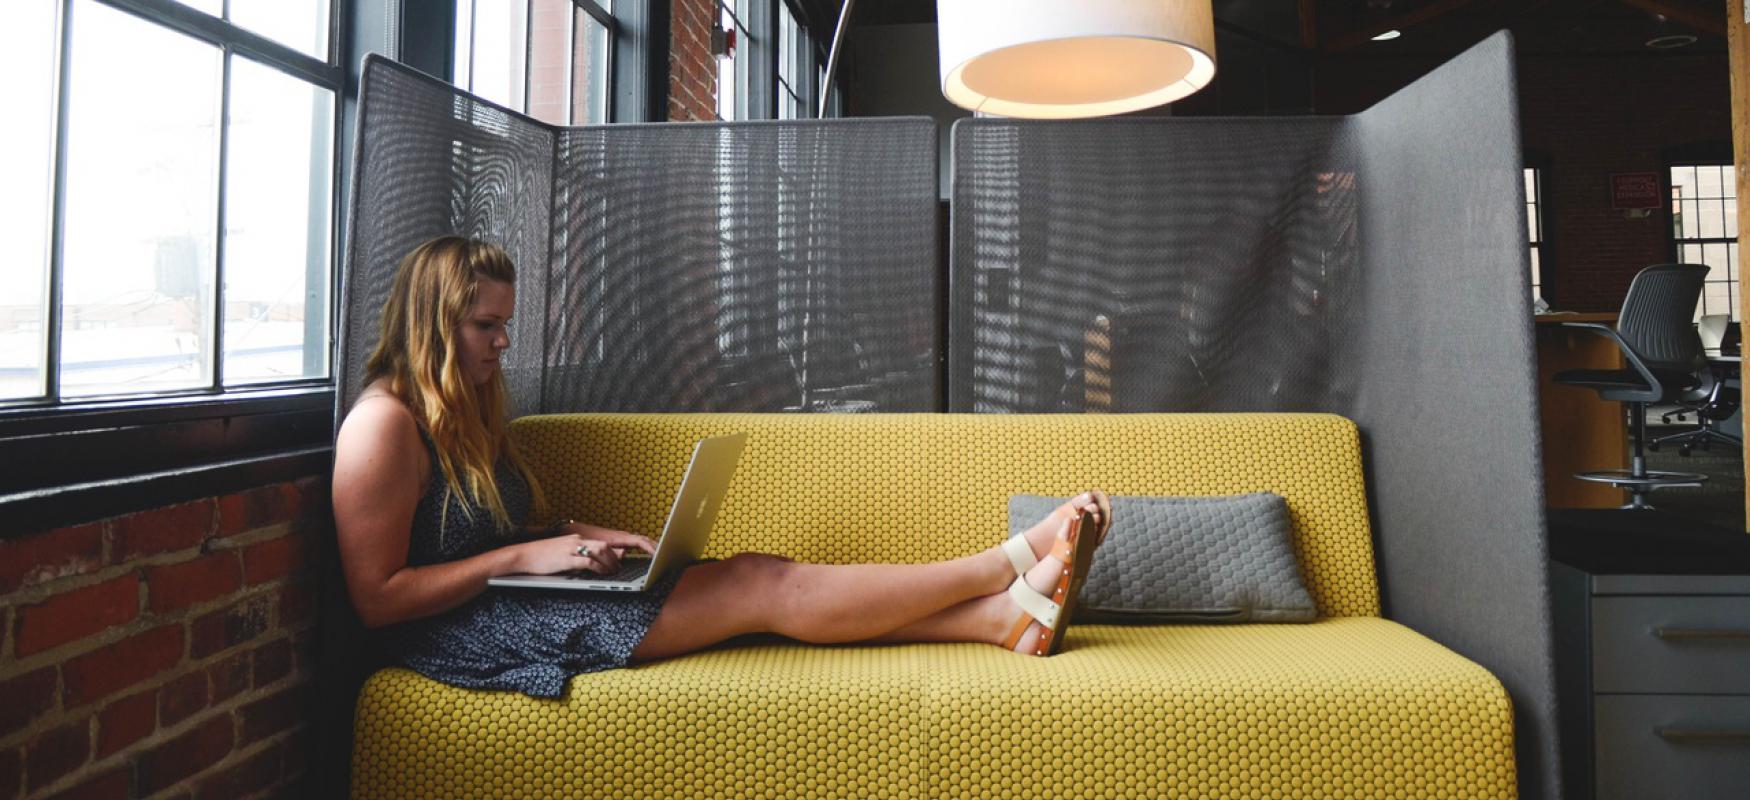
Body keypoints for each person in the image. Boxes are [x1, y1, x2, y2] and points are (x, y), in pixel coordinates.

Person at [332, 235, 1113, 698]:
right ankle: (1000, 564)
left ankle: (999, 620)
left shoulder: (466, 405)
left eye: (505, 323)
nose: (503, 343)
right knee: (759, 585)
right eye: (485, 325)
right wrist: (520, 557)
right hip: (465, 637)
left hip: (516, 599)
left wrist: (572, 537)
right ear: (433, 322)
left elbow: (488, 532)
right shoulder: (382, 428)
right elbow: (377, 600)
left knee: (759, 575)